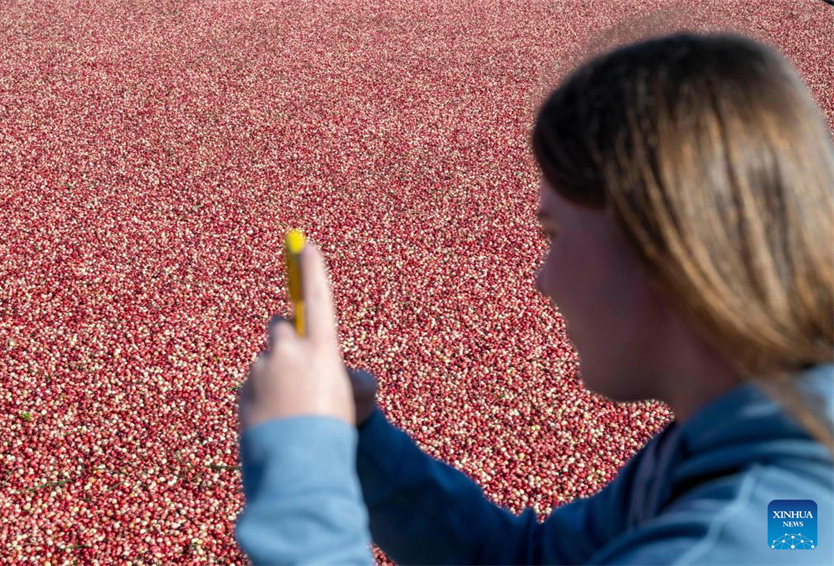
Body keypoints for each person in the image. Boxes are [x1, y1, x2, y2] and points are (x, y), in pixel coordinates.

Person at [234, 32, 834, 565]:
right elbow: (530, 559)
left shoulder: (725, 544)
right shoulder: (740, 456)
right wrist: (359, 438)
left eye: (554, 234)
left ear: (667, 248)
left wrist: (301, 464)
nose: (541, 279)